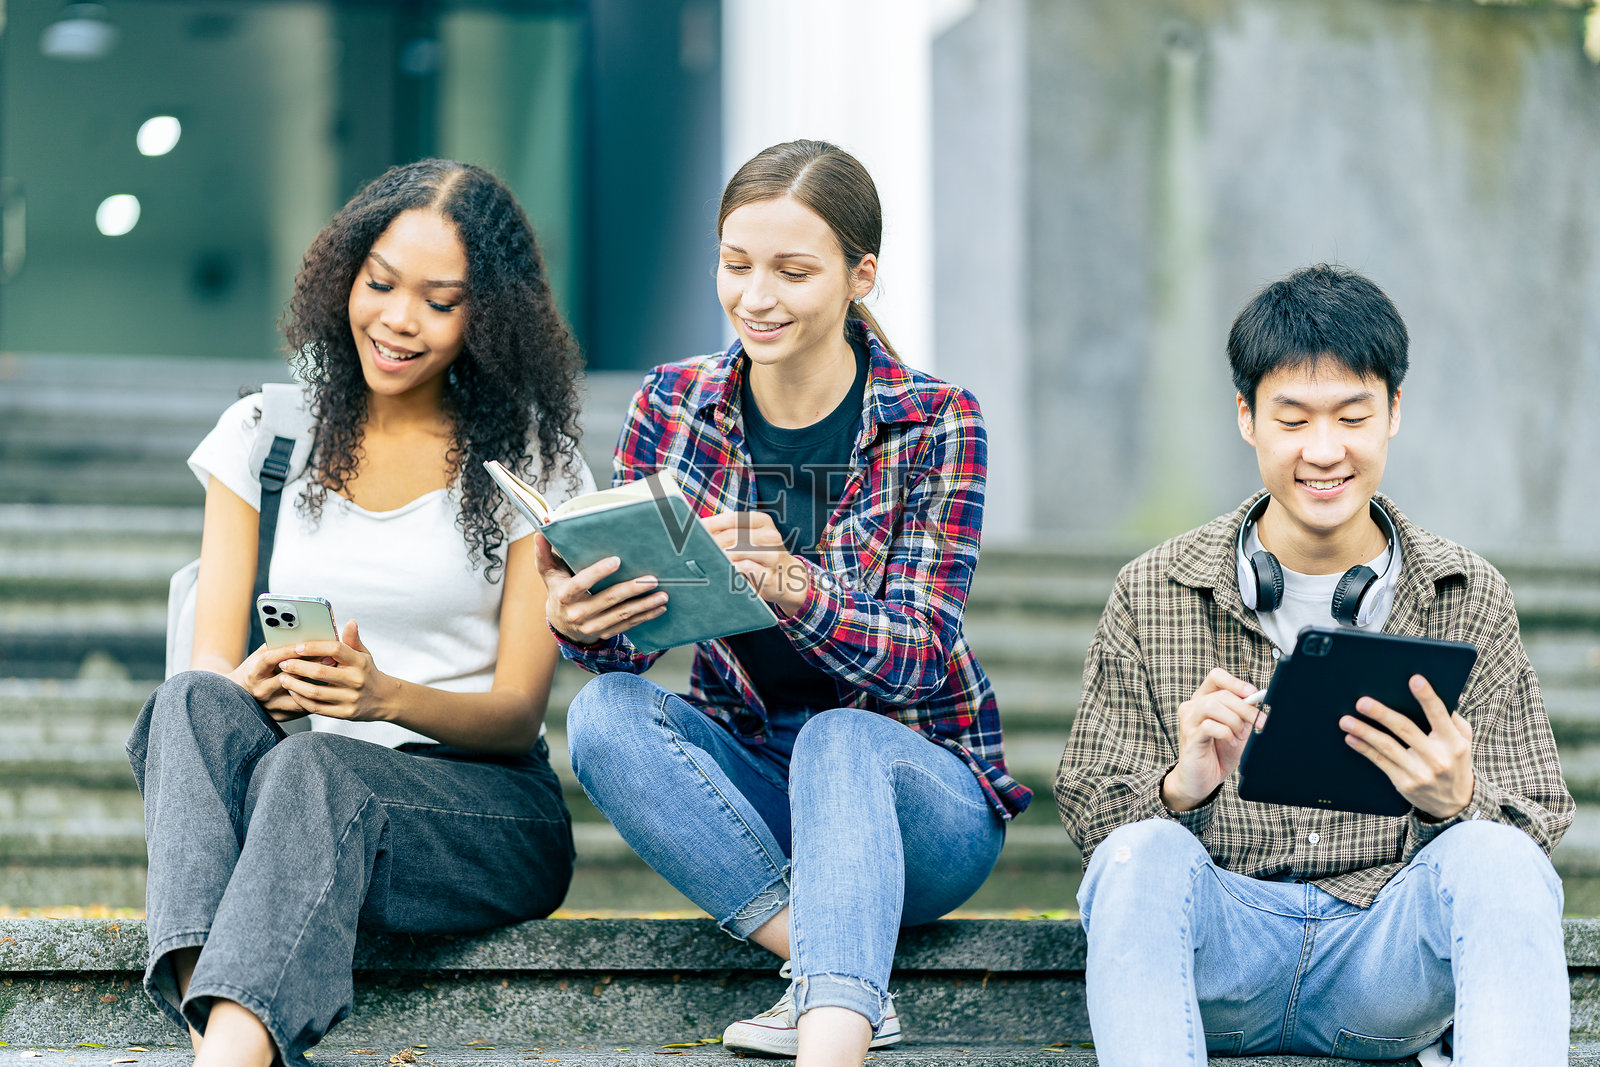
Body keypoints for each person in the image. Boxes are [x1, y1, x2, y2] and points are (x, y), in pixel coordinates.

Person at [538, 139, 1032, 1066]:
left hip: (923, 799)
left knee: (837, 736)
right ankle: (834, 973)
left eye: (792, 271)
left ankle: (828, 1037)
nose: (755, 297)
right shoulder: (673, 401)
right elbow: (635, 649)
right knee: (605, 714)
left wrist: (793, 586)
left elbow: (922, 649)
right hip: (762, 788)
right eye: (736, 265)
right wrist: (586, 619)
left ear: (860, 275)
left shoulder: (937, 420)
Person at [126, 159, 592, 1067]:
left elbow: (514, 718)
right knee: (191, 701)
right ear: (345, 275)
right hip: (288, 801)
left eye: (440, 300)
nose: (397, 318)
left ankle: (226, 1046)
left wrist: (383, 696)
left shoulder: (535, 462)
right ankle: (223, 1029)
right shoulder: (266, 433)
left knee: (320, 769)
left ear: (487, 318)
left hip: (477, 811)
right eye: (378, 282)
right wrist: (258, 684)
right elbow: (211, 672)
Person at [1054, 264, 1574, 1064]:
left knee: (1498, 856)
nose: (1324, 451)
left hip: (1384, 967)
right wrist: (1178, 788)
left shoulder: (1467, 593)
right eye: (1293, 419)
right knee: (1140, 852)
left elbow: (1536, 823)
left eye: (1352, 417)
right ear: (1246, 417)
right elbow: (1093, 820)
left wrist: (1454, 801)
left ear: (1394, 413)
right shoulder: (1153, 588)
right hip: (1222, 962)